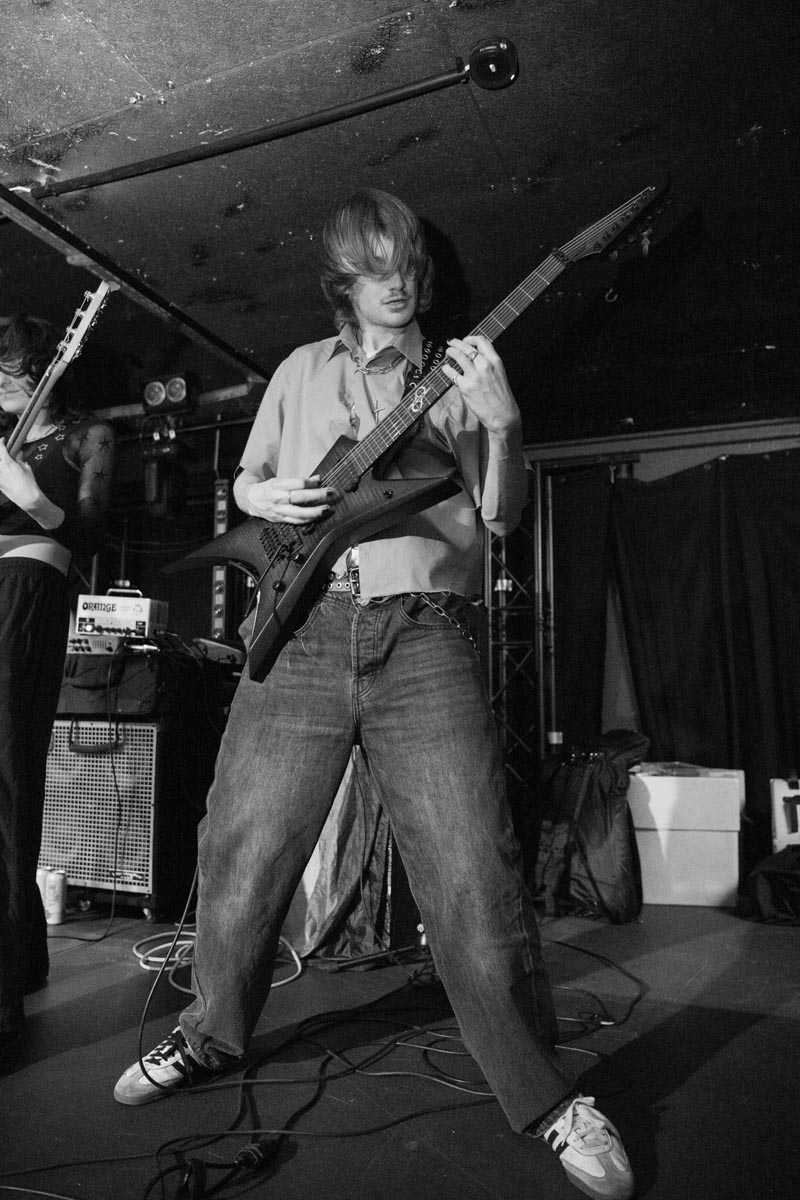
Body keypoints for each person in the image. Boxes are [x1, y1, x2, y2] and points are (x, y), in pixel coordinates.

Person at [113, 189, 634, 1199]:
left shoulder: (461, 374)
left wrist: (504, 423)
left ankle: (544, 1095)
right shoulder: (300, 369)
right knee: (241, 847)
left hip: (422, 634)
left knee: (472, 870)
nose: (394, 282)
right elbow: (251, 484)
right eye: (372, 267)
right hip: (303, 629)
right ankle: (209, 1034)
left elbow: (501, 517)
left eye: (404, 264)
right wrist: (257, 493)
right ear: (343, 280)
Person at [0, 313, 116, 1059]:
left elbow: (92, 535)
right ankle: (24, 954)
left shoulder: (87, 436)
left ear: (46, 367)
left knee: (6, 774)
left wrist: (31, 497)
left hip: (26, 589)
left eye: (8, 367)